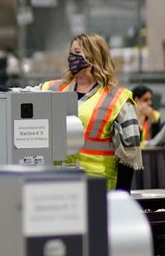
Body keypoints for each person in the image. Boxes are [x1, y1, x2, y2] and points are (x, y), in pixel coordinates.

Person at [40, 33, 141, 191]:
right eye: (71, 52)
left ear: (94, 55)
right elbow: (21, 94)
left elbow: (130, 150)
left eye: (78, 52)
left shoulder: (118, 98)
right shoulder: (54, 88)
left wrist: (122, 193)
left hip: (98, 187)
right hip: (59, 184)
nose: (72, 57)